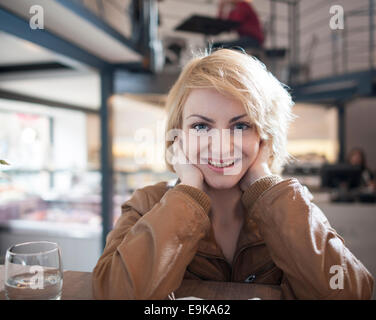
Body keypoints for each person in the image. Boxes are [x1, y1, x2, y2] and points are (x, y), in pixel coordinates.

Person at [92, 49, 374, 300]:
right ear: (179, 136)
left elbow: (350, 293)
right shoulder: (147, 203)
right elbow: (113, 294)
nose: (221, 146)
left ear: (265, 137)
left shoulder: (287, 206)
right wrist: (189, 191)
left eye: (241, 126)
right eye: (201, 127)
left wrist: (262, 184)